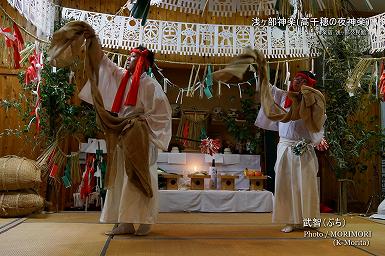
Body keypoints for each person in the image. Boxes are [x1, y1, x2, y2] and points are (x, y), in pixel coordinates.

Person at [79, 27, 172, 236]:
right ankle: (125, 222)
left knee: (139, 176)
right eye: (128, 57)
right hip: (123, 131)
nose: (127, 61)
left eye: (132, 58)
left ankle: (145, 220)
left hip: (140, 135)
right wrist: (94, 40)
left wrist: (140, 122)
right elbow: (104, 62)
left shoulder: (150, 84)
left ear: (142, 62)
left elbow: (162, 113)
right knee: (121, 176)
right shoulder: (123, 78)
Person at [255, 71, 328, 233]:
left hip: (303, 148)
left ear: (308, 84)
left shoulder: (313, 102)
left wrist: (317, 140)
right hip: (285, 147)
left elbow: (318, 121)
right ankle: (291, 220)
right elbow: (269, 88)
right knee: (287, 185)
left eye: (303, 80)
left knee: (305, 185)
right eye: (296, 79)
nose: (298, 82)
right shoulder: (283, 97)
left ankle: (309, 220)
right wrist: (261, 72)